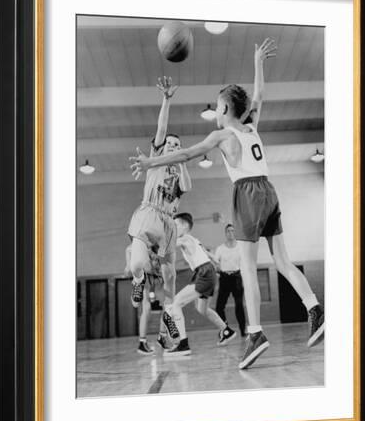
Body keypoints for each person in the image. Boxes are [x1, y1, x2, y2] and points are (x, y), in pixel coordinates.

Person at [130, 38, 325, 369]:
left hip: (247, 193)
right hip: (270, 191)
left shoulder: (221, 136)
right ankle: (315, 309)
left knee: (248, 267)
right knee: (282, 260)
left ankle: (255, 333)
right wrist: (257, 61)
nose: (216, 112)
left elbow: (188, 153)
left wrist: (151, 163)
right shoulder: (250, 125)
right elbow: (259, 96)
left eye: (218, 107)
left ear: (222, 111)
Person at [127, 76, 192, 342]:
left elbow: (187, 187)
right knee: (138, 264)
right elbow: (162, 128)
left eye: (178, 146)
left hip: (167, 223)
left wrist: (184, 160)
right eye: (170, 145)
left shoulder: (179, 174)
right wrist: (166, 100)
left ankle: (167, 325)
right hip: (149, 214)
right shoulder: (155, 162)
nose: (173, 148)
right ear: (163, 147)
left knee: (170, 279)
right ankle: (138, 281)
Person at [164, 213, 236, 356]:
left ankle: (183, 345)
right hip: (206, 271)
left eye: (176, 225)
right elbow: (210, 256)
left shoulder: (184, 238)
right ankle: (226, 331)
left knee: (176, 303)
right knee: (202, 309)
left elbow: (169, 246)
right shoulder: (195, 240)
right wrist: (215, 261)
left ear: (185, 226)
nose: (174, 228)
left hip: (204, 272)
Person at [124, 245, 170, 354]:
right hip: (145, 277)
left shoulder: (161, 245)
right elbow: (129, 250)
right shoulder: (140, 246)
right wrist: (128, 265)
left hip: (157, 277)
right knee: (146, 308)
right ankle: (142, 342)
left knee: (168, 307)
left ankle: (162, 337)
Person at [214, 224, 246, 337]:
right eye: (228, 231)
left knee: (239, 305)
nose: (231, 233)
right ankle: (225, 328)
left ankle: (243, 331)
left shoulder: (240, 248)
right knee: (219, 307)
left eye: (233, 231)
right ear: (225, 233)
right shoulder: (220, 248)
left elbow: (245, 264)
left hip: (236, 277)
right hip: (224, 278)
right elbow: (216, 264)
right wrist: (217, 269)